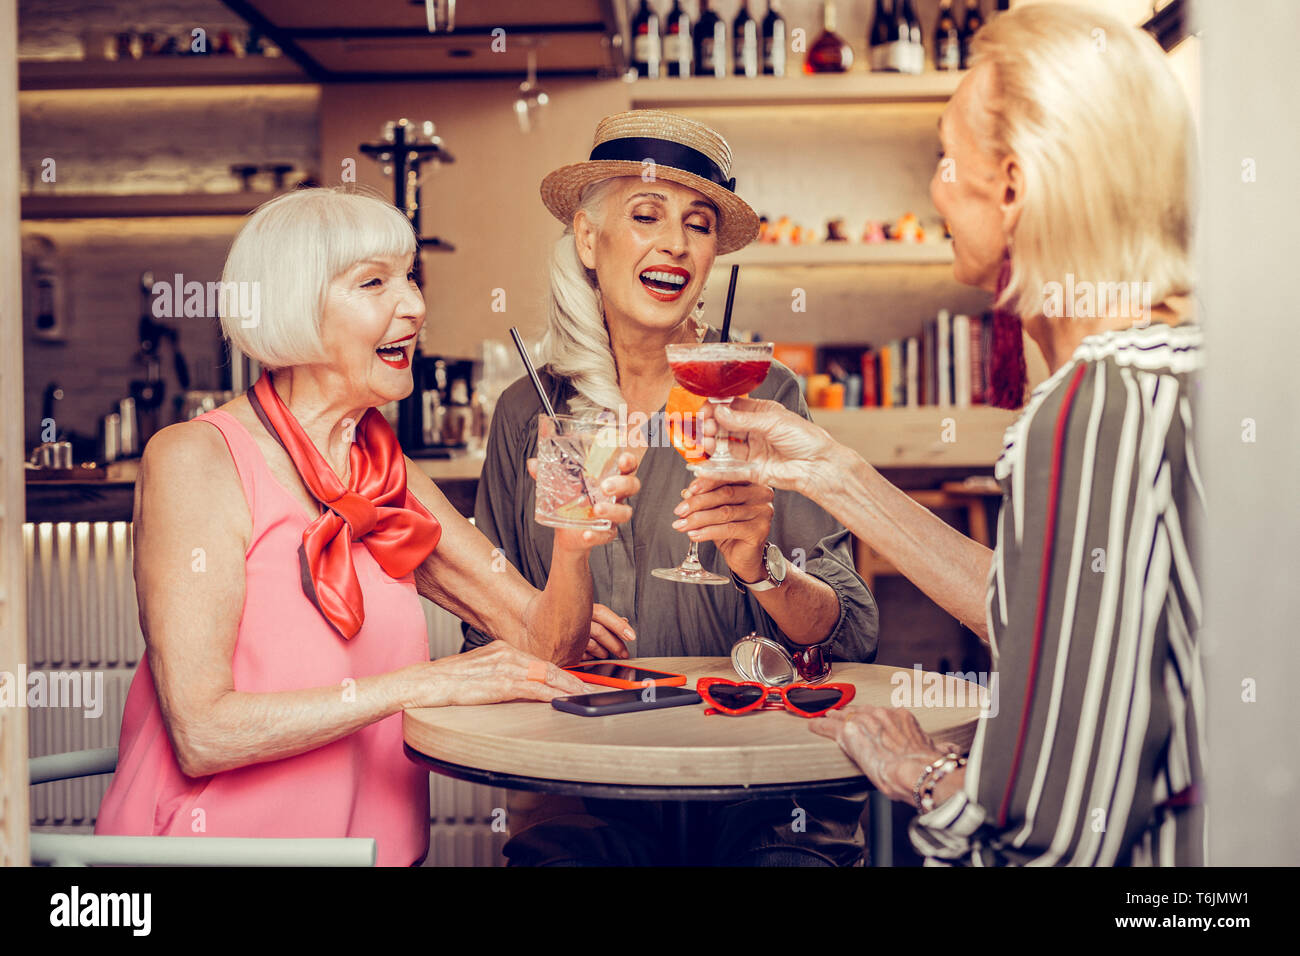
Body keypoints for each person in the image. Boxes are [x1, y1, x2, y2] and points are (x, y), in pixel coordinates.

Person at [697, 3, 1203, 866]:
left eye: (946, 159)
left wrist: (921, 771)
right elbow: (1048, 614)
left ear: (1013, 188)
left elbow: (1043, 843)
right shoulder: (1174, 370)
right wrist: (833, 471)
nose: (934, 187)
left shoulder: (1098, 403)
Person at [94, 188, 641, 866]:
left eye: (410, 278)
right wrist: (425, 682)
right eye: (374, 282)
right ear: (295, 305)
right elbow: (203, 732)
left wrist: (571, 543)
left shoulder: (383, 467)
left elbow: (543, 645)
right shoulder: (196, 459)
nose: (412, 304)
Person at [464, 110, 880, 866]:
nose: (676, 244)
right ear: (589, 241)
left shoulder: (759, 398)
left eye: (698, 224)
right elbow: (486, 639)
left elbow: (846, 629)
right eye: (646, 214)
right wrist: (557, 609)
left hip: (759, 786)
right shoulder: (536, 412)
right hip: (589, 788)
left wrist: (764, 568)